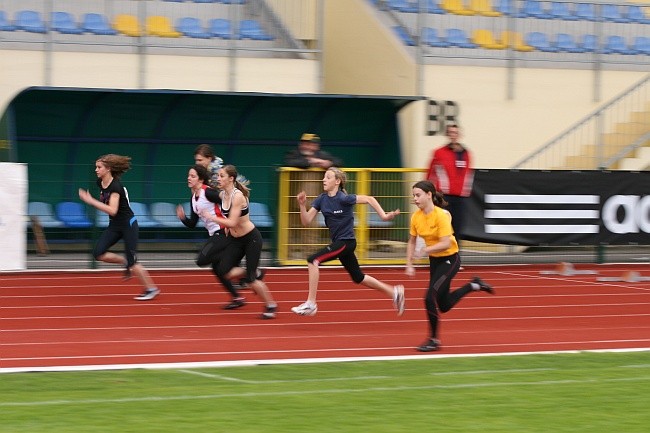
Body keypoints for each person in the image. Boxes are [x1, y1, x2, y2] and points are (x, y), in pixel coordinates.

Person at [291, 167, 405, 317]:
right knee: (359, 277)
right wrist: (301, 204)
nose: (323, 180)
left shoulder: (344, 198)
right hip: (339, 243)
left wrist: (383, 216)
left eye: (328, 177)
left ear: (337, 181)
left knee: (313, 260)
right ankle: (394, 292)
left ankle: (311, 303)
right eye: (324, 177)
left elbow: (369, 199)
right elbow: (306, 221)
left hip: (346, 242)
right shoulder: (321, 199)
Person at [405, 180, 493, 352]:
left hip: (450, 260)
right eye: (413, 195)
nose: (415, 199)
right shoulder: (416, 217)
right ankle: (474, 285)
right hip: (435, 261)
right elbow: (412, 240)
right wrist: (409, 263)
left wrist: (425, 250)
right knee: (444, 305)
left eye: (418, 195)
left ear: (429, 195)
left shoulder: (441, 216)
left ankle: (433, 340)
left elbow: (446, 243)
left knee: (429, 297)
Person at [78, 153, 160, 301]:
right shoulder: (100, 182)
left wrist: (91, 201)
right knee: (98, 253)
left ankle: (151, 289)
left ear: (108, 169)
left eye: (99, 167)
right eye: (96, 167)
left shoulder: (116, 186)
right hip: (115, 225)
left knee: (133, 261)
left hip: (128, 224)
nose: (96, 170)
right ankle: (125, 261)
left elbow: (112, 210)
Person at [202, 165, 278, 320]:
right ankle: (254, 272)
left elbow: (231, 221)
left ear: (231, 178)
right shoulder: (223, 194)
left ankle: (270, 305)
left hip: (251, 239)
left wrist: (211, 218)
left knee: (251, 280)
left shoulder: (238, 197)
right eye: (218, 175)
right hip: (235, 239)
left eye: (222, 176)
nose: (218, 178)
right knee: (224, 270)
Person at [176, 164, 247, 310]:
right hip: (214, 234)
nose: (189, 178)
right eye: (189, 175)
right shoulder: (193, 199)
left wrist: (229, 221)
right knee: (219, 269)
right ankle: (237, 297)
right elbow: (192, 223)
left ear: (201, 179)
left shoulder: (207, 193)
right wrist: (182, 218)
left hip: (223, 232)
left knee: (202, 259)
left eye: (193, 176)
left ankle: (248, 271)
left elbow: (226, 200)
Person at [284, 133, 344, 253]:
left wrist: (325, 163)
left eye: (310, 144)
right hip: (293, 199)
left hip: (313, 201)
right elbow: (289, 162)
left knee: (311, 227)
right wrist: (310, 161)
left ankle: (310, 252)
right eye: (304, 143)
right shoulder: (294, 154)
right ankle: (288, 252)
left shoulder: (323, 155)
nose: (306, 146)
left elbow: (339, 162)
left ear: (316, 146)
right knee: (290, 226)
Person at [425, 124, 474, 244]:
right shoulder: (439, 152)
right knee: (442, 227)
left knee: (458, 228)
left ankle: (455, 257)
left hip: (461, 197)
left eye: (455, 133)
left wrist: (466, 192)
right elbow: (430, 173)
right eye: (451, 132)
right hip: (444, 196)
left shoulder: (467, 154)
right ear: (447, 134)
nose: (453, 135)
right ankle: (439, 255)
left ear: (459, 135)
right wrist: (428, 193)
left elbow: (468, 174)